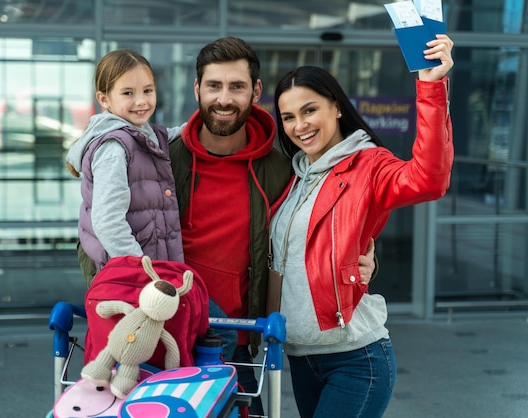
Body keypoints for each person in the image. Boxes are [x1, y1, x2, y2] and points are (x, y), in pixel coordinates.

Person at [169, 36, 377, 416]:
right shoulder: (165, 159)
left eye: (237, 86)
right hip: (169, 343)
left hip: (240, 348)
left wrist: (363, 257)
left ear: (256, 91)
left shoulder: (283, 168)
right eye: (214, 85)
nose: (224, 98)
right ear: (197, 88)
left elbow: (318, 230)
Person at [270, 35, 455, 417]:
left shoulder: (368, 164)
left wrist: (431, 87)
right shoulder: (295, 176)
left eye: (310, 110)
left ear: (336, 107)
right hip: (302, 358)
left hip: (356, 359)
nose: (299, 125)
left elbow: (429, 179)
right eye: (288, 117)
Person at [65, 49, 184, 287]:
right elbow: (108, 221)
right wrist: (146, 274)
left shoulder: (143, 132)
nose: (141, 101)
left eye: (148, 91)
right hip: (129, 277)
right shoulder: (114, 148)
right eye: (128, 93)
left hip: (141, 270)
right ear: (104, 99)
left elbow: (172, 135)